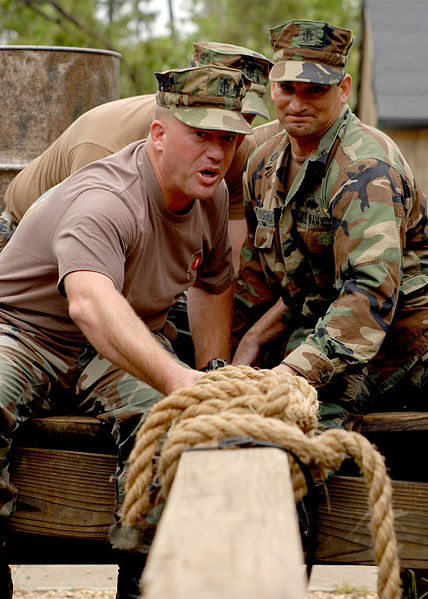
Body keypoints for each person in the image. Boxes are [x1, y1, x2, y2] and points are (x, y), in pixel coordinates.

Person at [0, 64, 253, 599]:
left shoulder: (206, 199)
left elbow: (212, 284)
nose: (216, 153)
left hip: (117, 342)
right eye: (200, 135)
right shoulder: (107, 198)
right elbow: (89, 303)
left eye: (227, 140)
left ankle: (145, 580)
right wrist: (176, 376)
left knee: (176, 422)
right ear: (158, 136)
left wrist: (210, 378)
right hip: (25, 331)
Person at [232, 19, 428, 426]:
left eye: (315, 90)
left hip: (397, 348)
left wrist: (291, 373)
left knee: (292, 425)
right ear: (271, 86)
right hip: (319, 331)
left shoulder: (365, 169)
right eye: (287, 88)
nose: (297, 103)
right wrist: (233, 356)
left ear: (344, 89)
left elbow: (369, 295)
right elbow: (255, 280)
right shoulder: (263, 163)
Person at [1, 42, 272, 271]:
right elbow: (85, 249)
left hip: (137, 248)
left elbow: (227, 261)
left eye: (244, 119)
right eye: (206, 129)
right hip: (27, 238)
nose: (231, 133)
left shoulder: (235, 147)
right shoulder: (106, 145)